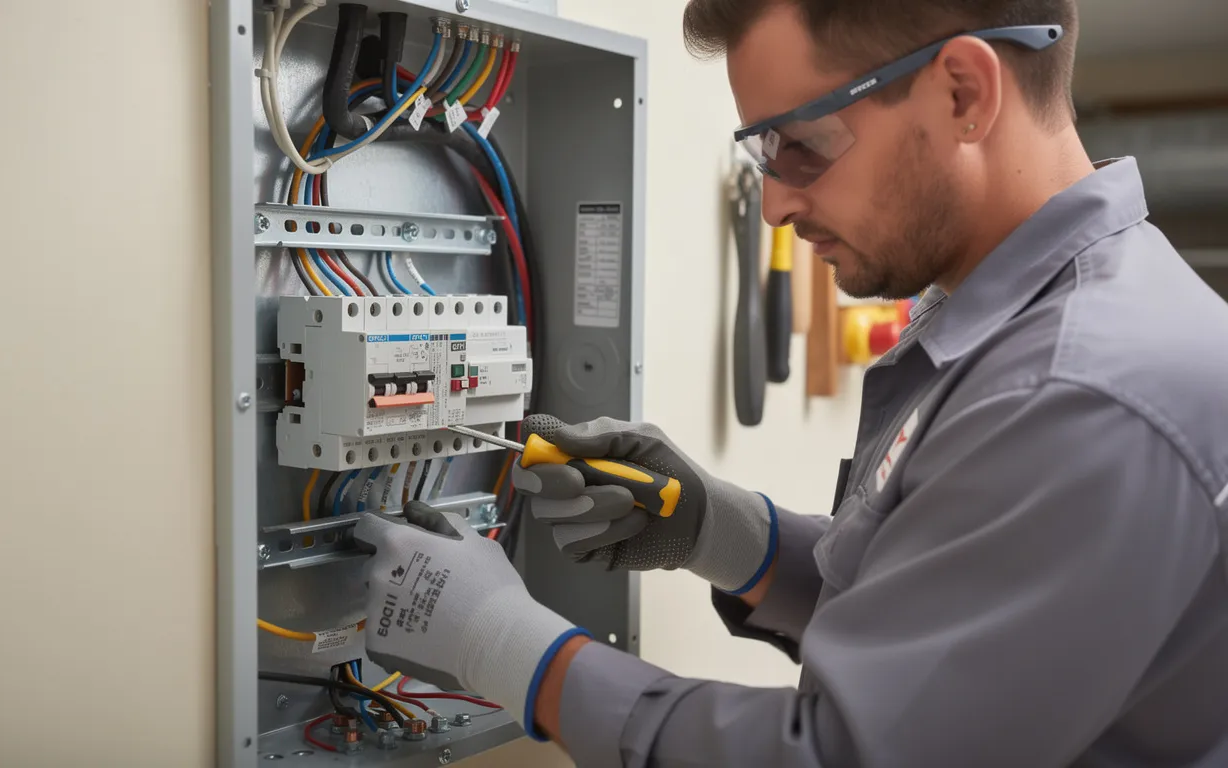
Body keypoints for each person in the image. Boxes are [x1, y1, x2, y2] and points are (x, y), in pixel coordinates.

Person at [352, 0, 1228, 764]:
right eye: (763, 152)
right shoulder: (1035, 325)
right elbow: (942, 627)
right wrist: (723, 531)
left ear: (964, 91)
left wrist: (506, 646)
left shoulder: (1079, 394)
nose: (774, 203)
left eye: (801, 145)